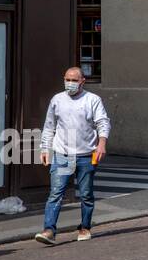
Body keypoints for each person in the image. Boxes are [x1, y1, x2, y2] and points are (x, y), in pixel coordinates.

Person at [35, 67, 110, 245]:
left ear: (82, 81)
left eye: (74, 80)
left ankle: (85, 227)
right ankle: (49, 231)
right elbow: (49, 126)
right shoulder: (57, 100)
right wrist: (45, 149)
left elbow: (102, 122)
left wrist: (102, 144)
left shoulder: (92, 100)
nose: (70, 83)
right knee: (55, 193)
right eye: (67, 79)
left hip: (86, 154)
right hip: (63, 154)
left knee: (85, 194)